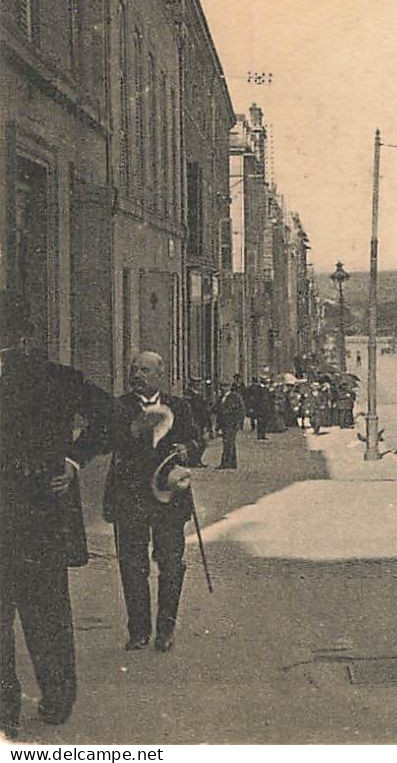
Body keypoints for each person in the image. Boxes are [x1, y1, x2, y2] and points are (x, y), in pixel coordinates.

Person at [1, 292, 103, 736]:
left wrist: (73, 461)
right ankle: (19, 708)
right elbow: (111, 418)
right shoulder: (57, 377)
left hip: (36, 516)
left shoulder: (55, 379)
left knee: (44, 615)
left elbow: (110, 417)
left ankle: (52, 700)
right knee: (28, 617)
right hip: (25, 519)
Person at [77, 351, 203, 653]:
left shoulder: (179, 407)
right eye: (134, 369)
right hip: (129, 497)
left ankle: (165, 630)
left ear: (160, 374)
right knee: (132, 566)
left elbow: (198, 442)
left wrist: (188, 449)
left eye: (145, 370)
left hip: (169, 498)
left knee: (171, 565)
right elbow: (99, 440)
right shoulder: (119, 407)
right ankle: (138, 631)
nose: (138, 375)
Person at [216, 377, 246, 469]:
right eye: (221, 386)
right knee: (230, 443)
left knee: (228, 443)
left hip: (231, 424)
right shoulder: (221, 398)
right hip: (223, 424)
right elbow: (218, 411)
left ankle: (225, 463)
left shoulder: (235, 397)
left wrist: (239, 423)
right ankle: (232, 462)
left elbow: (241, 411)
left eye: (225, 386)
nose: (223, 388)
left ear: (229, 387)